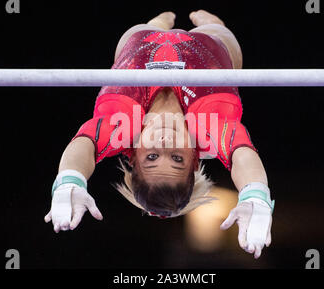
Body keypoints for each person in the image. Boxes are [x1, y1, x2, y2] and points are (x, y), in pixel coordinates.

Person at [45, 10, 275, 259]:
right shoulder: (209, 125)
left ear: (133, 156)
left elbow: (85, 144)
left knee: (144, 29)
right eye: (177, 158)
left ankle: (161, 21)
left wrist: (70, 179)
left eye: (152, 156)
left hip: (143, 39)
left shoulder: (121, 124)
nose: (165, 143)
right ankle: (208, 23)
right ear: (195, 159)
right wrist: (255, 194)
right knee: (221, 35)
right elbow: (241, 154)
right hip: (210, 44)